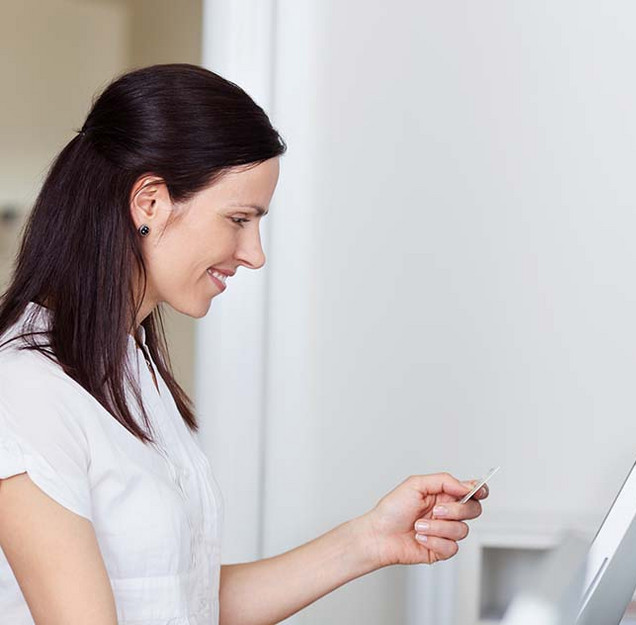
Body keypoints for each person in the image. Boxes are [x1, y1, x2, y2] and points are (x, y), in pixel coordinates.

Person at [0, 64, 488, 624]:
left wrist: (369, 539)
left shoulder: (128, 369)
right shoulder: (26, 389)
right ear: (150, 203)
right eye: (238, 218)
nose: (254, 253)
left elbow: (191, 603)